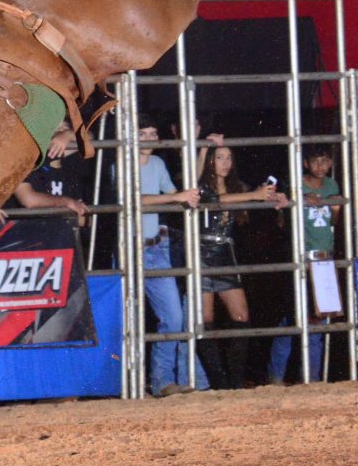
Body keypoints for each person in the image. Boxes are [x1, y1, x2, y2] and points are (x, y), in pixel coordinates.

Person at [195, 145, 283, 389]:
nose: (225, 163)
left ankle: (234, 381)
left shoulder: (238, 186)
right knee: (205, 319)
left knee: (241, 316)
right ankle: (219, 382)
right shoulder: (200, 185)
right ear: (209, 160)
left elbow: (257, 196)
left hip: (225, 252)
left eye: (229, 158)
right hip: (201, 252)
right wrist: (254, 195)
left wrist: (275, 196)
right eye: (219, 158)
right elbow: (215, 201)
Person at [137, 114, 209, 396]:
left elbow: (176, 193)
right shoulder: (121, 162)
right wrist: (177, 197)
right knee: (128, 319)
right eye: (143, 134)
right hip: (132, 246)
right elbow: (134, 199)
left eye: (153, 134)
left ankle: (162, 381)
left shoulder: (157, 163)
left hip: (157, 247)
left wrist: (187, 195)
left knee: (174, 317)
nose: (149, 139)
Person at [269, 144, 342, 383]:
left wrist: (334, 207)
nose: (320, 166)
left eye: (325, 161)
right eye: (315, 161)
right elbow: (282, 221)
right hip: (301, 256)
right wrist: (300, 200)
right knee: (293, 317)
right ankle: (276, 377)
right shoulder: (295, 185)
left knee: (318, 318)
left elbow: (333, 221)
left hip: (324, 257)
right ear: (306, 163)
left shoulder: (331, 185)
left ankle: (312, 379)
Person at [12, 122, 90, 226]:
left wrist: (68, 135)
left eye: (66, 126)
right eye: (57, 127)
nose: (62, 129)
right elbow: (28, 200)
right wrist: (67, 202)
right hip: (28, 229)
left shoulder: (70, 169)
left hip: (60, 230)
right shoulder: (27, 160)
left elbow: (91, 139)